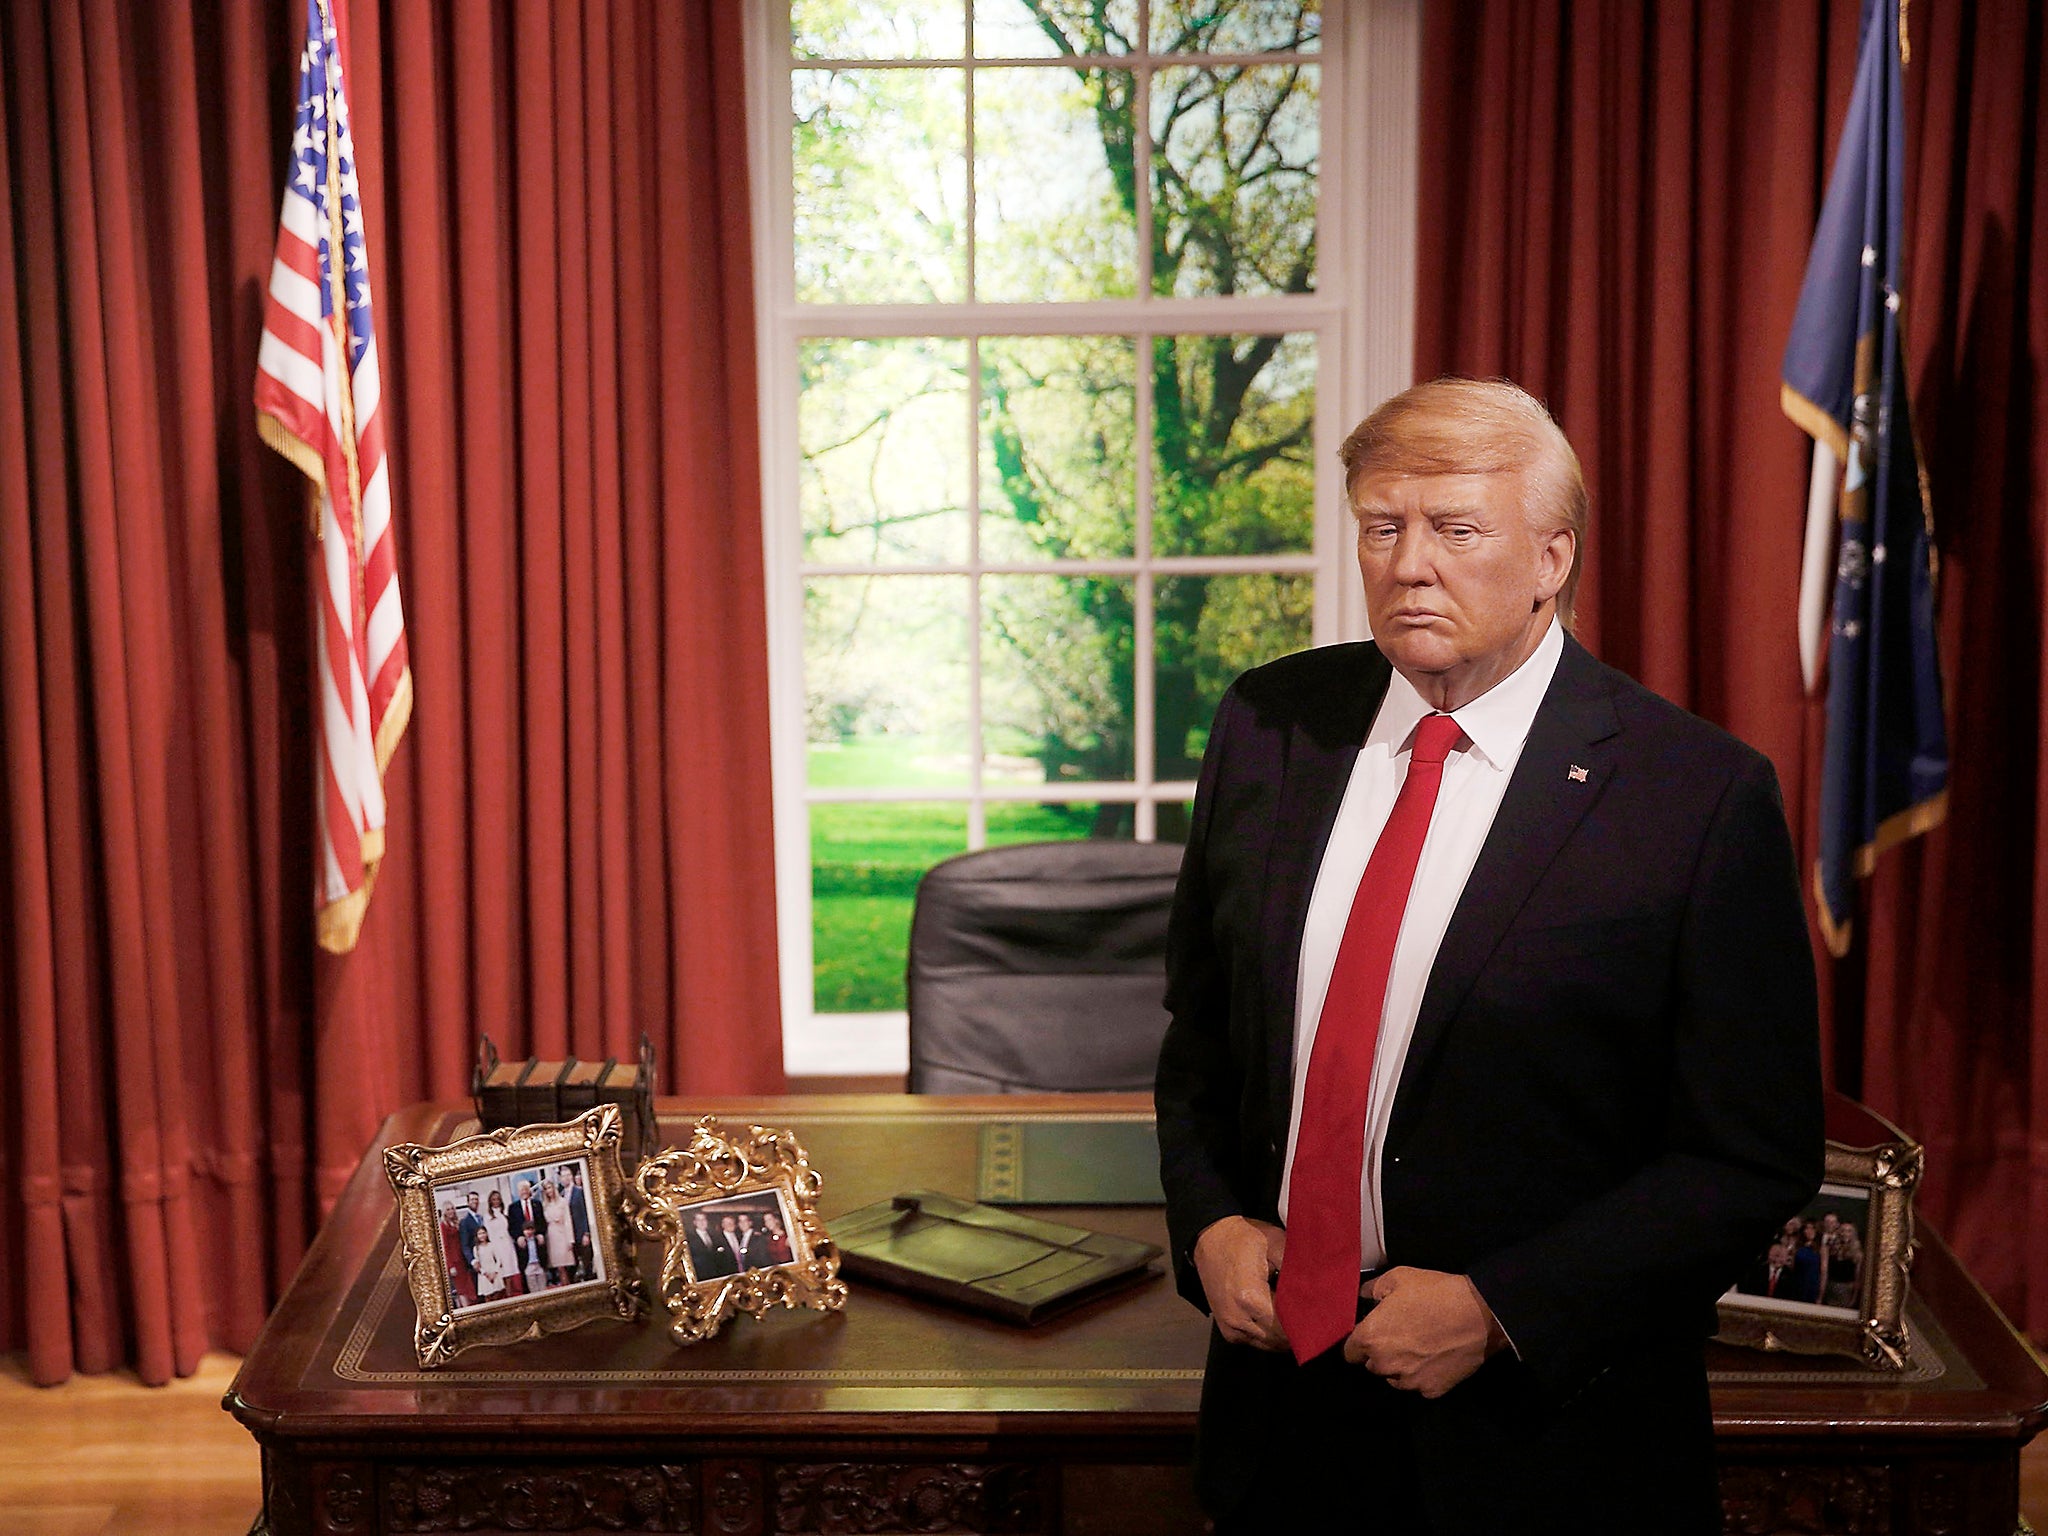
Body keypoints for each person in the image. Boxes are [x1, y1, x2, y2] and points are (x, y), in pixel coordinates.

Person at [1154, 378, 1823, 1533]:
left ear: (1549, 557)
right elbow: (1199, 1035)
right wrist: (1208, 1221)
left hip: (1542, 1446)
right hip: (1281, 1419)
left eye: (1454, 529)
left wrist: (1503, 1308)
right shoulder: (1268, 723)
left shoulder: (1694, 795)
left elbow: (1747, 1157)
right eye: (1381, 526)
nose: (1408, 564)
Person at [483, 1189, 525, 1297]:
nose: (496, 1201)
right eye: (493, 1199)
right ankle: (507, 1295)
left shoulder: (504, 1213)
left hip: (508, 1244)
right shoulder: (487, 1216)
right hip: (497, 1246)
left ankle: (513, 1295)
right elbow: (489, 1234)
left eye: (498, 1199)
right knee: (503, 1271)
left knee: (511, 1271)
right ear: (490, 1201)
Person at [439, 1202, 477, 1308]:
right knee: (461, 1289)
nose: (451, 1211)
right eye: (448, 1209)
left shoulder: (457, 1223)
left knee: (467, 1286)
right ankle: (466, 1309)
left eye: (452, 1209)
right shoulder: (443, 1226)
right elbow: (446, 1247)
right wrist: (450, 1266)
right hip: (454, 1261)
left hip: (462, 1259)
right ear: (444, 1212)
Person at [560, 1164, 594, 1281]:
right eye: (563, 1176)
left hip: (581, 1233)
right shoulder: (561, 1195)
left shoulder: (579, 1192)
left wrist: (586, 1233)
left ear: (571, 1177)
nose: (566, 1178)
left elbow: (585, 1213)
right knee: (572, 1266)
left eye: (568, 1175)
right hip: (569, 1236)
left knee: (587, 1262)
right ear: (560, 1179)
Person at [506, 1179, 545, 1276]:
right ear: (518, 1192)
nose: (524, 1192)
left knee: (542, 1271)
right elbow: (511, 1226)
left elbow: (542, 1222)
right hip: (523, 1244)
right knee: (526, 1272)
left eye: (526, 1189)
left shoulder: (537, 1204)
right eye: (522, 1190)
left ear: (529, 1190)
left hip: (537, 1242)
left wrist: (541, 1234)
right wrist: (518, 1237)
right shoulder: (513, 1207)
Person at [542, 1178, 575, 1285]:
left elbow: (568, 1221)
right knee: (559, 1267)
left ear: (553, 1187)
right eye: (546, 1189)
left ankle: (569, 1286)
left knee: (566, 1266)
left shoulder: (562, 1202)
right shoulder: (545, 1205)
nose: (548, 1191)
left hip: (563, 1234)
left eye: (549, 1187)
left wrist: (570, 1240)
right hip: (552, 1237)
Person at [687, 1209, 734, 1280]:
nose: (702, 1222)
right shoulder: (690, 1239)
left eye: (703, 1219)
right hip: (702, 1277)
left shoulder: (714, 1236)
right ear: (695, 1222)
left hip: (717, 1274)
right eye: (699, 1220)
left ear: (707, 1221)